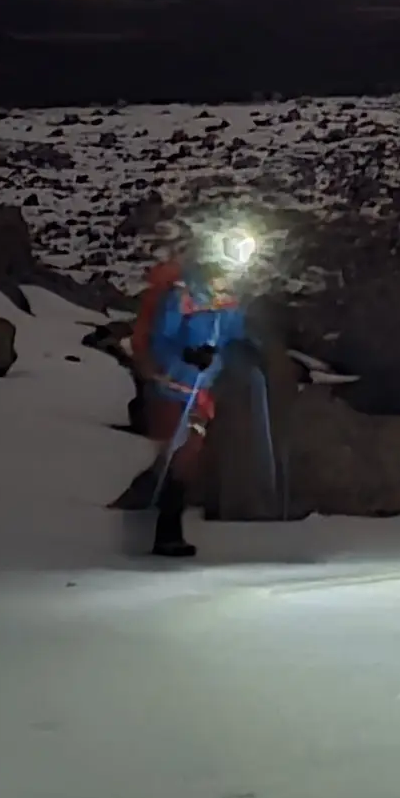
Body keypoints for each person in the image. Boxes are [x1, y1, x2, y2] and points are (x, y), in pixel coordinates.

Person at [129, 217, 260, 558]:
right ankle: (165, 533)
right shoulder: (183, 294)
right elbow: (162, 339)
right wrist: (188, 355)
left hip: (200, 391)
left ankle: (163, 526)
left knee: (187, 458)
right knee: (179, 458)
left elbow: (232, 334)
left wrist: (245, 349)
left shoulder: (229, 299)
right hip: (172, 388)